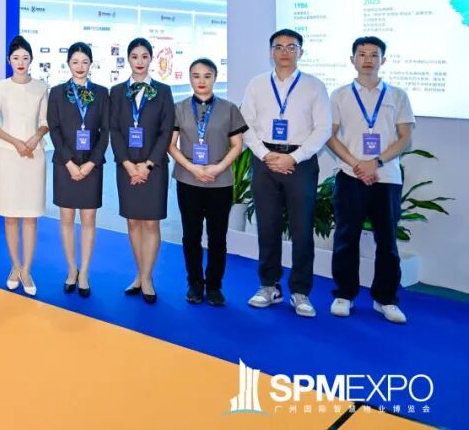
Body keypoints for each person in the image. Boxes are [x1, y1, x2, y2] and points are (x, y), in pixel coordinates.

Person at [240, 29, 332, 318]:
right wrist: (266, 155)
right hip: (265, 161)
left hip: (300, 163)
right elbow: (245, 124)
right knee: (267, 227)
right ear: (271, 52)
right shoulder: (257, 84)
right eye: (279, 47)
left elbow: (323, 128)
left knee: (302, 230)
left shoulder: (314, 86)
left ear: (301, 52)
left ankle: (301, 292)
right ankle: (269, 286)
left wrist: (293, 157)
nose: (284, 52)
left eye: (291, 47)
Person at [326, 36, 414, 324]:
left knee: (387, 240)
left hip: (386, 176)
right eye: (361, 54)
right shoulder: (339, 95)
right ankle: (344, 294)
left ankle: (385, 299)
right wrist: (357, 164)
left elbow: (405, 138)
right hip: (350, 175)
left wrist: (375, 162)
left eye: (374, 55)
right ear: (352, 59)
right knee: (346, 237)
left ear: (383, 60)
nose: (367, 59)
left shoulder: (397, 95)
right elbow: (330, 136)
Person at [167, 59, 247, 307]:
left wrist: (218, 168)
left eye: (207, 75)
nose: (201, 81)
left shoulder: (229, 108)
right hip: (188, 180)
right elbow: (171, 145)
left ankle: (214, 286)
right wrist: (192, 167)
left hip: (219, 181)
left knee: (217, 237)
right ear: (190, 78)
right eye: (196, 76)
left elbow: (237, 145)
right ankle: (194, 283)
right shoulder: (179, 108)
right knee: (191, 235)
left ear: (215, 77)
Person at [109, 38, 175, 304]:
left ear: (151, 59)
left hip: (153, 168)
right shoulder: (117, 91)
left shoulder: (163, 91)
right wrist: (127, 164)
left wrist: (147, 165)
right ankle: (140, 274)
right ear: (128, 59)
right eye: (134, 56)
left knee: (151, 222)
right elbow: (114, 129)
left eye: (144, 56)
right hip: (126, 167)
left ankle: (147, 278)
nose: (139, 61)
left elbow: (166, 131)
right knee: (133, 221)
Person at [47, 41, 110, 299]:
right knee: (66, 219)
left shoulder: (102, 93)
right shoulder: (57, 93)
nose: (80, 66)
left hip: (92, 166)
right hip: (65, 165)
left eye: (85, 62)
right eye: (75, 62)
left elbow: (105, 131)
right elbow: (54, 129)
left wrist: (91, 163)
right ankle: (71, 270)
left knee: (88, 220)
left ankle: (84, 272)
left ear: (91, 64)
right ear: (68, 64)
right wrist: (70, 163)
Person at [0, 35, 49, 296]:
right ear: (8, 60)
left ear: (31, 59)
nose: (21, 62)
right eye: (16, 58)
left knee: (31, 216)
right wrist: (16, 142)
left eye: (25, 57)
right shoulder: (0, 87)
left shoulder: (41, 87)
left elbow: (45, 121)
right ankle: (14, 267)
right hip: (8, 156)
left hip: (34, 156)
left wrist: (34, 139)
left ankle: (27, 269)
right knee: (11, 216)